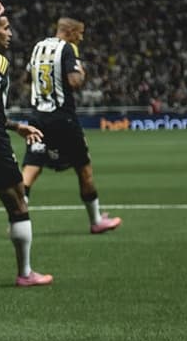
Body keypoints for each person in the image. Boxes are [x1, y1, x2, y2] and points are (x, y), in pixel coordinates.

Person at [0, 14, 53, 286]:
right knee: (18, 202)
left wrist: (16, 126)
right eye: (5, 28)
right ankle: (25, 273)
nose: (10, 33)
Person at [22, 17, 122, 234]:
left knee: (30, 170)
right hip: (63, 118)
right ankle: (96, 221)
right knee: (84, 169)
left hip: (38, 117)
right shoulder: (67, 49)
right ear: (69, 31)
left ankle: (17, 219)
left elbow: (26, 79)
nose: (81, 38)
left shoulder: (38, 47)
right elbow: (75, 81)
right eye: (79, 33)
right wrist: (81, 72)